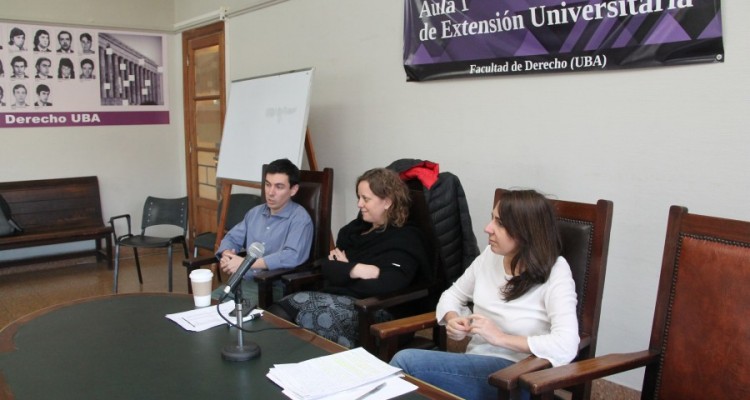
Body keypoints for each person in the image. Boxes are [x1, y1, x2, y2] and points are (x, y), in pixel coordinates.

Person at [390, 189, 580, 400]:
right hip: (477, 363)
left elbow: (566, 344)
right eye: (492, 219)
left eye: (499, 223)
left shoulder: (556, 271)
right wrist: (455, 319)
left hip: (518, 376)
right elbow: (452, 295)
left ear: (525, 231)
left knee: (404, 364)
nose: (487, 228)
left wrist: (501, 338)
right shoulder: (491, 255)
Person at [268, 168, 428, 348]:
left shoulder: (406, 238)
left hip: (377, 312)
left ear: (387, 202)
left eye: (366, 199)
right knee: (281, 310)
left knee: (311, 316)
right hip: (341, 299)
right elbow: (326, 265)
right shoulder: (354, 230)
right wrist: (357, 269)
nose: (359, 204)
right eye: (358, 197)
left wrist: (343, 270)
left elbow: (387, 284)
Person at [215, 158, 313, 300]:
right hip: (240, 282)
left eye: (279, 187)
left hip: (272, 288)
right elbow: (231, 238)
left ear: (293, 190)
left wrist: (246, 264)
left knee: (226, 316)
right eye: (268, 185)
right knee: (204, 307)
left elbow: (292, 256)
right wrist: (227, 254)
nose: (270, 192)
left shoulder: (300, 219)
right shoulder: (255, 212)